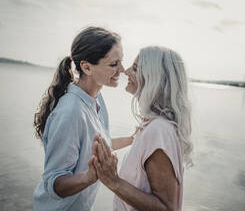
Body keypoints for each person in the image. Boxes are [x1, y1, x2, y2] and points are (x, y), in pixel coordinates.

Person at [33, 27, 134, 211]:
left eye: (121, 61)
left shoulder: (97, 99)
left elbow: (96, 144)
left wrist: (132, 139)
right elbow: (54, 182)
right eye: (113, 64)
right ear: (87, 67)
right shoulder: (70, 111)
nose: (123, 69)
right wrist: (91, 176)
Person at [91, 46, 193, 211]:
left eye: (136, 68)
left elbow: (167, 208)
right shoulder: (154, 126)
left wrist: (113, 181)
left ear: (155, 78)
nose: (126, 71)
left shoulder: (158, 130)